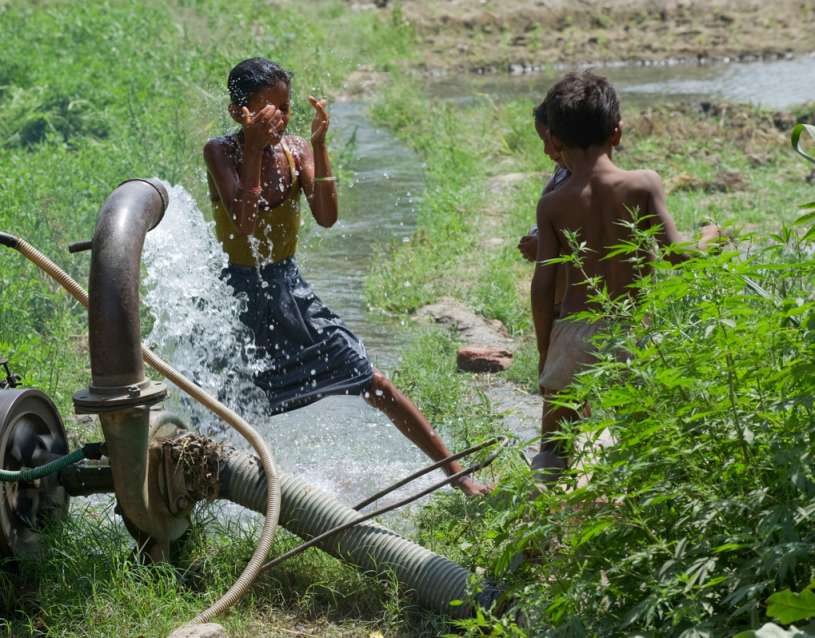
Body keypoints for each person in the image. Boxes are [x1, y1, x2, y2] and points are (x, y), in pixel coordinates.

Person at [203, 58, 490, 496]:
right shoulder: (222, 152)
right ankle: (206, 498)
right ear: (239, 112)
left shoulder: (295, 150)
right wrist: (256, 152)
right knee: (224, 412)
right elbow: (243, 223)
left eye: (285, 107)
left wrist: (318, 146)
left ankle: (459, 476)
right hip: (238, 298)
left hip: (288, 290)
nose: (280, 117)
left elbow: (327, 216)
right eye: (268, 109)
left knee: (373, 382)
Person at [529, 71, 720, 482]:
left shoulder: (553, 204)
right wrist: (711, 236)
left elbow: (544, 286)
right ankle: (634, 516)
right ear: (616, 133)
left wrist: (546, 350)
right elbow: (679, 255)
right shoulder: (642, 184)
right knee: (640, 437)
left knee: (554, 447)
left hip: (573, 331)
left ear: (556, 141)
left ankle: (539, 530)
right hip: (630, 333)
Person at [518, 100, 571, 316]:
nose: (546, 150)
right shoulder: (561, 172)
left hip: (574, 303)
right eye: (543, 140)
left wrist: (543, 244)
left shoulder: (581, 184)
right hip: (560, 302)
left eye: (550, 141)